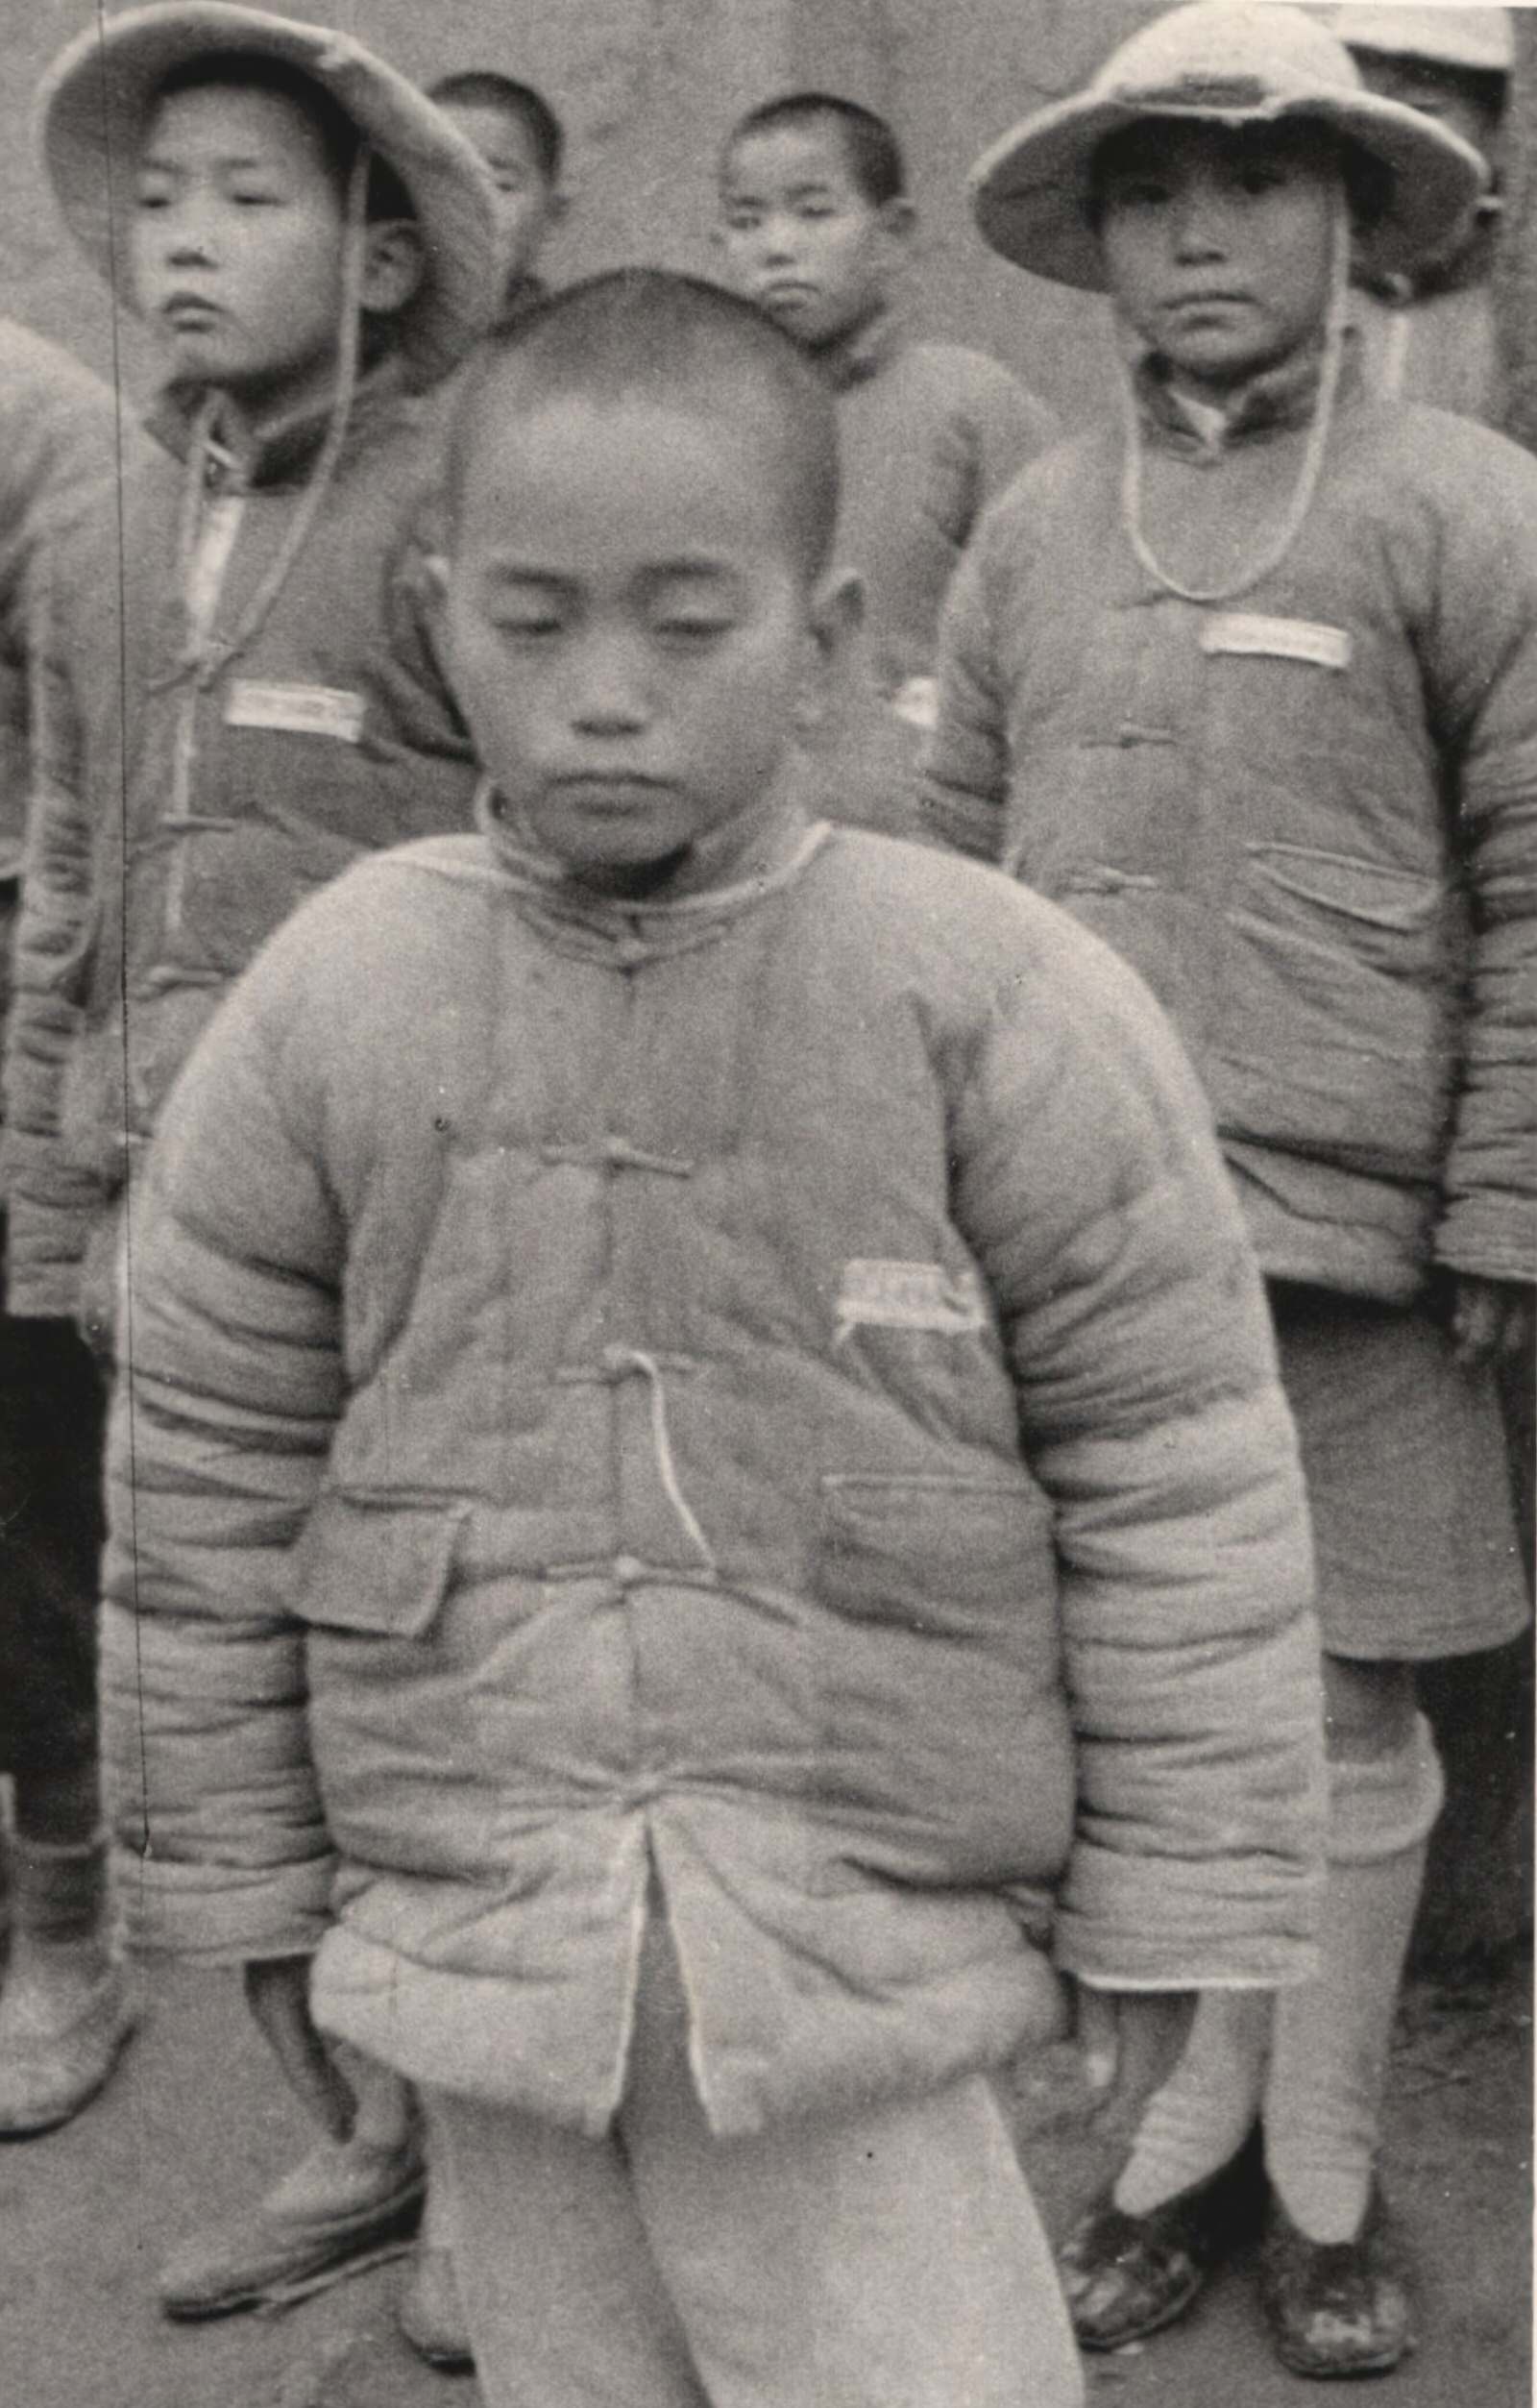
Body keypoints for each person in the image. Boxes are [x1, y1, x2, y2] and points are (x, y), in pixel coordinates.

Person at [99, 266, 1326, 2408]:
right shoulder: (328, 1000)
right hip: (480, 1896)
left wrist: (1173, 1900)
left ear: (829, 637)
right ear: (433, 611)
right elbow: (203, 1474)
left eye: (686, 625)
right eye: (530, 619)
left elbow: (1175, 1466)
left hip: (866, 1921)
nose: (601, 696)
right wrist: (241, 1884)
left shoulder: (988, 994)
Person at [925, 0, 1535, 2377]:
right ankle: (1174, 2149)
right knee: (1142, 1713)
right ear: (1090, 235)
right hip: (1074, 1250)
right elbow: (937, 891)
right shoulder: (1027, 531)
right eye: (1153, 186)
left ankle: (1325, 2167)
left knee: (1347, 1714)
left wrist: (1497, 1202)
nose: (1199, 226)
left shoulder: (1461, 511)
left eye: (1256, 182)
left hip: (1356, 1251)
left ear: (1355, 221)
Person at [9, 0, 500, 2351]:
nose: (186, 240)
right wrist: (55, 1186)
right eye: (162, 200)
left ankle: (508, 2191)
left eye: (252, 198)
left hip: (416, 1240)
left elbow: (553, 873)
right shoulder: (107, 508)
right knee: (227, 1731)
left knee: (429, 1702)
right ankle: (365, 2145)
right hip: (161, 1250)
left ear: (383, 257)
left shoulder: (452, 509)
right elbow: (74, 876)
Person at [716, 92, 1058, 831]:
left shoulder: (971, 406)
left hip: (924, 825)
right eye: (747, 221)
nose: (776, 246)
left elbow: (1049, 630)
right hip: (740, 828)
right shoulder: (703, 421)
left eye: (813, 212)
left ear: (893, 233)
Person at [0, 323, 136, 2143]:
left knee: (24, 1482)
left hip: (25, 980)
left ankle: (69, 1903)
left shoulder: (45, 433)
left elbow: (87, 791)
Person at [1330, 6, 1513, 420]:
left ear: (1502, 134)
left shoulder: (1515, 311)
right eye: (1360, 110)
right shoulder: (1303, 290)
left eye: (1421, 108)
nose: (1384, 137)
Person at [427, 70, 567, 333]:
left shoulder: (576, 344)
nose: (467, 204)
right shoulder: (353, 349)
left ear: (551, 217)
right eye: (438, 179)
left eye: (499, 184)